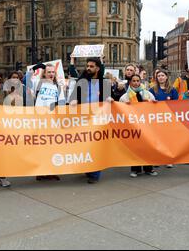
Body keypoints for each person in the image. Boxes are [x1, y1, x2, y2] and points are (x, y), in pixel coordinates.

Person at [69, 56, 110, 184]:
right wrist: (74, 100)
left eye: (91, 66)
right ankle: (88, 168)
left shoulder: (104, 82)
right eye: (87, 66)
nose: (88, 68)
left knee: (95, 145)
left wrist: (109, 99)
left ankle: (94, 174)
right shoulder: (81, 81)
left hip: (98, 119)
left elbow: (108, 97)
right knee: (84, 144)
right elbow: (73, 96)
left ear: (98, 68)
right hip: (83, 118)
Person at [120, 75, 159, 178]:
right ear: (130, 82)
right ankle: (135, 169)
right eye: (134, 81)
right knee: (135, 148)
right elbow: (119, 111)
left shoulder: (148, 94)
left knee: (147, 147)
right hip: (133, 127)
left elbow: (156, 108)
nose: (136, 83)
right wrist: (124, 106)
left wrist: (154, 103)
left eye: (138, 81)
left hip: (147, 126)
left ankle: (148, 168)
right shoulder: (125, 97)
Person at [33, 64, 66, 181]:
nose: (51, 74)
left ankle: (52, 171)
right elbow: (28, 77)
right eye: (49, 72)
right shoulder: (39, 83)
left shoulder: (58, 86)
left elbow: (62, 102)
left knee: (53, 147)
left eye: (53, 72)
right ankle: (41, 171)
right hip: (41, 120)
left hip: (53, 121)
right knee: (41, 147)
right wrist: (37, 67)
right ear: (44, 73)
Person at [149, 70, 179, 169]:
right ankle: (157, 159)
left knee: (168, 139)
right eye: (159, 76)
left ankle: (168, 160)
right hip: (156, 118)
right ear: (156, 78)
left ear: (166, 77)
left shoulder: (172, 90)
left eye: (162, 75)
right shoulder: (152, 90)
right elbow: (147, 102)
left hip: (168, 119)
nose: (161, 77)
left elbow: (177, 105)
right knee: (157, 140)